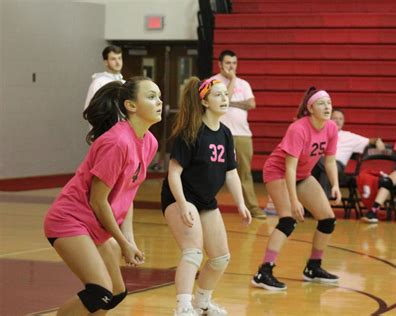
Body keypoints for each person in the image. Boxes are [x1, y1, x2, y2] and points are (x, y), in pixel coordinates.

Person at [43, 76, 162, 314]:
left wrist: (128, 240)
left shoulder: (149, 142)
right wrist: (121, 242)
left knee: (115, 293)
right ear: (130, 105)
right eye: (151, 97)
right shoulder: (117, 142)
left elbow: (127, 195)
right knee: (100, 291)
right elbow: (98, 201)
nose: (159, 101)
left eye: (159, 96)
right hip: (70, 220)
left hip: (95, 226)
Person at [160, 77, 252, 315]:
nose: (225, 98)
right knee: (193, 252)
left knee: (221, 257)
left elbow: (231, 172)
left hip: (206, 201)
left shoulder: (225, 133)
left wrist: (241, 203)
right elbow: (174, 173)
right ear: (204, 101)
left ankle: (203, 302)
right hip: (179, 197)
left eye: (225, 94)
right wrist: (182, 204)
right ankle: (182, 307)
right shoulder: (190, 132)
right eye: (218, 95)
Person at [251, 87, 341, 291]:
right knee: (287, 221)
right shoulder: (298, 128)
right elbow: (289, 168)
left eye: (329, 102)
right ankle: (264, 272)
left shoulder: (331, 128)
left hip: (302, 175)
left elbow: (330, 161)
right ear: (310, 108)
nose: (327, 107)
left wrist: (335, 184)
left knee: (327, 219)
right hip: (278, 172)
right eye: (321, 103)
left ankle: (313, 267)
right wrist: (294, 201)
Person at [211, 50, 266, 219]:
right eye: (228, 63)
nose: (231, 67)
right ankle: (205, 204)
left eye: (234, 63)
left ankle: (253, 208)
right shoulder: (212, 82)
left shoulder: (244, 83)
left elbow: (252, 104)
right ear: (220, 64)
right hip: (219, 133)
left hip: (243, 134)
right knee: (212, 171)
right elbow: (224, 99)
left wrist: (233, 102)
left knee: (244, 173)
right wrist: (232, 81)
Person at [312, 108, 386, 198]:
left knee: (324, 164)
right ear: (328, 120)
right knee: (322, 168)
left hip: (338, 169)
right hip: (320, 168)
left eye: (340, 119)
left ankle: (313, 206)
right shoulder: (320, 133)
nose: (338, 121)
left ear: (343, 122)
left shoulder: (349, 136)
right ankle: (324, 205)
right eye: (335, 118)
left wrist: (378, 140)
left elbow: (370, 141)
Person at [84, 45, 124, 110]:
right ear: (106, 62)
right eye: (113, 59)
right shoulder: (98, 82)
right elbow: (89, 109)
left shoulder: (124, 82)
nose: (118, 62)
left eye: (119, 58)